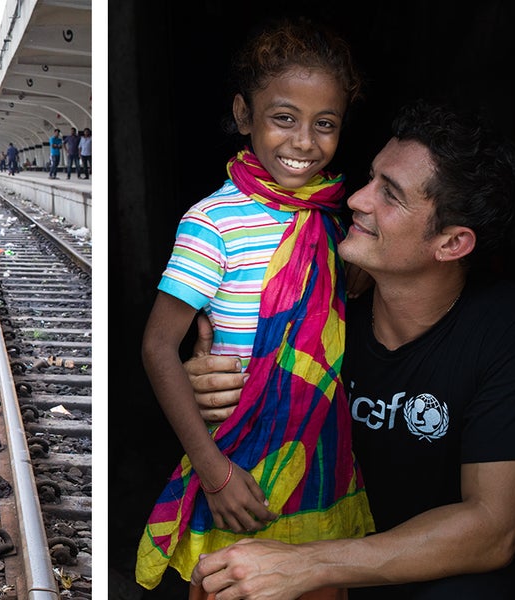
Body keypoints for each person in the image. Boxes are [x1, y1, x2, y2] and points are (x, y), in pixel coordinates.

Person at [185, 101, 515, 600]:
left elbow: (494, 527)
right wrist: (215, 386)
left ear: (451, 243)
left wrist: (309, 564)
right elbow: (237, 395)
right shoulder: (315, 294)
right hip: (321, 552)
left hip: (430, 575)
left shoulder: (509, 328)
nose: (357, 199)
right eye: (370, 178)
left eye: (390, 194)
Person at [135, 19, 373, 595]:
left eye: (325, 124)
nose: (304, 143)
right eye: (284, 118)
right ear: (244, 115)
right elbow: (158, 347)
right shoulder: (213, 223)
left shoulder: (336, 220)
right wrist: (214, 475)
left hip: (321, 465)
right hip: (238, 467)